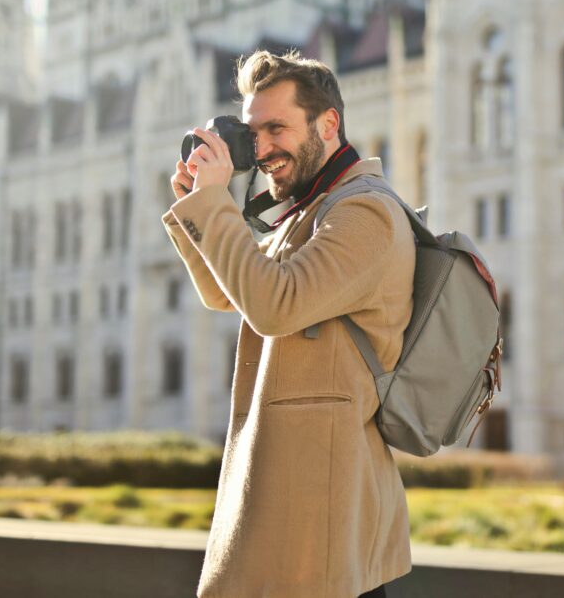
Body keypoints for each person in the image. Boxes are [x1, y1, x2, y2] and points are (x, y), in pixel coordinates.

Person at [162, 50, 415, 598]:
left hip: (325, 517)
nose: (262, 149)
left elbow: (274, 306)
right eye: (253, 134)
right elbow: (228, 293)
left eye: (277, 128)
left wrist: (215, 203)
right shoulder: (312, 211)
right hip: (296, 501)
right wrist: (196, 206)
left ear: (328, 124)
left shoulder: (364, 212)